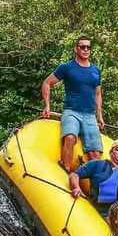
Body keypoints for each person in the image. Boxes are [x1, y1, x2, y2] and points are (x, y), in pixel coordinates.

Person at [40, 36, 104, 171]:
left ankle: (94, 188)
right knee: (70, 137)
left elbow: (98, 94)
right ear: (76, 49)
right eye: (82, 47)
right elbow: (47, 83)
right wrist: (47, 106)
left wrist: (100, 116)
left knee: (95, 154)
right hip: (71, 112)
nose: (86, 49)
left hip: (90, 115)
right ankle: (65, 168)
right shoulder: (67, 67)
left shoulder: (96, 71)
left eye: (88, 47)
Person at [69, 139, 118, 214]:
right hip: (98, 213)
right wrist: (76, 187)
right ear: (111, 153)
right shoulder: (98, 165)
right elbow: (74, 175)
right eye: (117, 149)